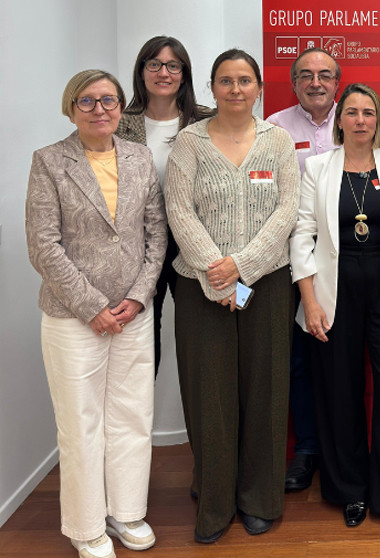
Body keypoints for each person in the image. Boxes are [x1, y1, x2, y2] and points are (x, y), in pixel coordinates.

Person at [26, 69, 167, 558]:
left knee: (132, 415)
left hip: (133, 313)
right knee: (80, 424)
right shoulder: (49, 161)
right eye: (87, 101)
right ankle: (86, 526)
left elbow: (156, 234)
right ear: (71, 109)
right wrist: (92, 307)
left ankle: (125, 511)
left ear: (121, 107)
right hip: (72, 318)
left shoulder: (139, 157)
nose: (99, 109)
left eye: (108, 100)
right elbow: (43, 246)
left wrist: (139, 297)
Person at [165, 49, 299, 543]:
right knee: (210, 396)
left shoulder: (277, 140)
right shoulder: (190, 142)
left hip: (267, 284)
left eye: (245, 80)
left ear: (259, 87)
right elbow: (178, 210)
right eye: (226, 80)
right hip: (200, 288)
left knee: (266, 391)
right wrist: (218, 274)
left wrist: (241, 267)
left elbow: (288, 209)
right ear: (212, 87)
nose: (236, 89)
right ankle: (215, 500)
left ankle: (260, 498)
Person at [290, 83, 380, 535]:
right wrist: (309, 301)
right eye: (352, 112)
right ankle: (350, 490)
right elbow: (303, 233)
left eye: (369, 112)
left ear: (378, 119)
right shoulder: (318, 167)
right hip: (333, 291)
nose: (361, 120)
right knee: (339, 390)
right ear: (340, 120)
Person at [267, 46, 342, 493]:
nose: (316, 83)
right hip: (288, 258)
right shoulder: (275, 127)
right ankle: (308, 449)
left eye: (325, 75)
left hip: (345, 257)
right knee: (297, 359)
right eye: (307, 75)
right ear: (294, 83)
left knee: (340, 355)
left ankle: (340, 447)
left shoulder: (355, 120)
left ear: (337, 83)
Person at [116, 36, 213, 373]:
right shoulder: (117, 123)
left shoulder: (208, 121)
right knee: (142, 336)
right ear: (141, 71)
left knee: (202, 331)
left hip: (195, 240)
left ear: (184, 74)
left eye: (173, 65)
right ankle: (142, 405)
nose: (163, 73)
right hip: (139, 245)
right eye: (154, 64)